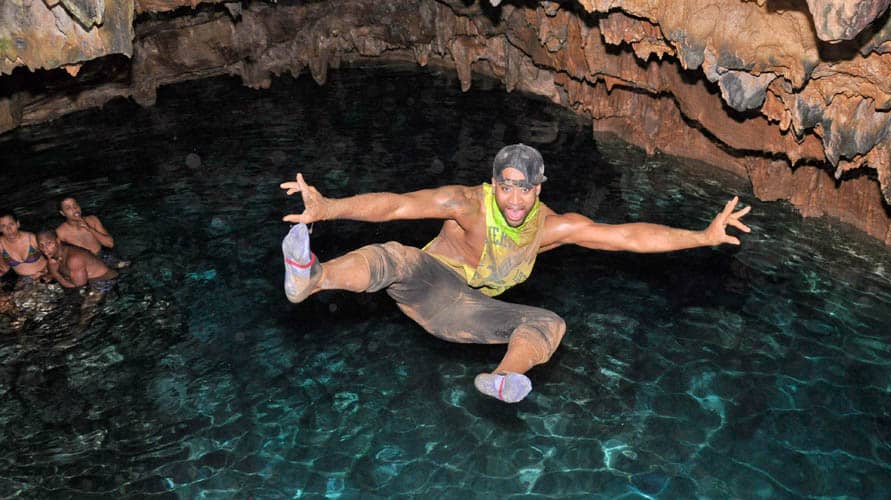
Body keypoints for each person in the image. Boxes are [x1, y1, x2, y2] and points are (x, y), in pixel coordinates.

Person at [280, 144, 751, 403]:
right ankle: (313, 277)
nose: (514, 200)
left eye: (524, 189)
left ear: (539, 188)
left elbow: (627, 237)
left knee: (549, 323)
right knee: (397, 256)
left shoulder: (551, 226)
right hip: (429, 284)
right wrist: (329, 208)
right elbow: (398, 205)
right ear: (493, 184)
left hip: (470, 313)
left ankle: (503, 379)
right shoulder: (466, 203)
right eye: (506, 187)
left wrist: (701, 236)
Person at [37, 229, 118, 303]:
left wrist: (57, 275)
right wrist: (51, 275)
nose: (45, 249)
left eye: (49, 243)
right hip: (85, 283)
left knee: (85, 313)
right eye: (41, 245)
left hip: (104, 283)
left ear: (58, 241)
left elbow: (79, 286)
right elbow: (57, 273)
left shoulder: (74, 259)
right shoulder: (54, 257)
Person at [55, 197, 129, 269]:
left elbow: (110, 244)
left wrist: (90, 229)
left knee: (127, 265)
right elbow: (57, 256)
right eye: (68, 208)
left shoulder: (92, 220)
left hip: (103, 256)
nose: (74, 209)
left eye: (75, 205)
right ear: (62, 213)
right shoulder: (61, 233)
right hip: (86, 264)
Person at [1, 210, 48, 283]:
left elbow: (54, 257)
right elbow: (4, 267)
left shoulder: (32, 238)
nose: (9, 229)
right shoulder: (1, 244)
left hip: (45, 275)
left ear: (18, 224)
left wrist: (47, 273)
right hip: (23, 281)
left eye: (11, 224)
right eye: (3, 226)